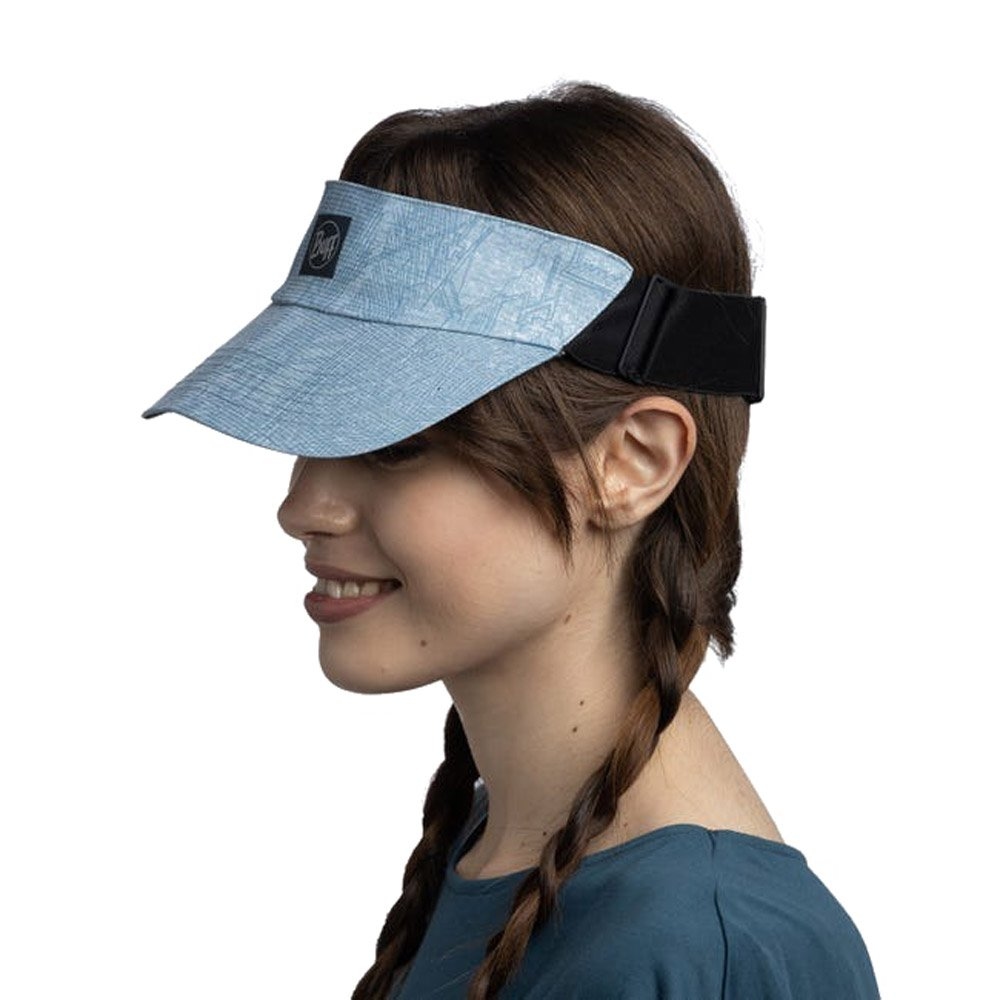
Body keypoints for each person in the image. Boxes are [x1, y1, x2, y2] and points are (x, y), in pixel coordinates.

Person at [144, 83, 880, 999]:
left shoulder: (706, 950)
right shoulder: (505, 855)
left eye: (395, 441)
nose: (304, 506)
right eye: (315, 431)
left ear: (633, 462)